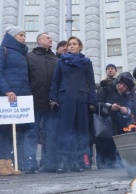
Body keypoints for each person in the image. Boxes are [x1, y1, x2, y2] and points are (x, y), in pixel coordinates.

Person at [49, 36, 96, 173]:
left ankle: (78, 162)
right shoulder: (61, 61)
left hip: (81, 99)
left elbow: (91, 82)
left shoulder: (86, 62)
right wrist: (53, 98)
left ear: (80, 47)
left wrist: (92, 101)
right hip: (65, 99)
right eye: (69, 44)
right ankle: (62, 161)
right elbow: (56, 80)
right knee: (64, 131)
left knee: (80, 131)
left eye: (74, 44)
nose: (71, 46)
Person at [0, 26, 36, 175]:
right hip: (7, 97)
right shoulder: (3, 50)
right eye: (21, 35)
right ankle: (2, 163)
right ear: (12, 36)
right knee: (3, 132)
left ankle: (11, 163)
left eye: (24, 35)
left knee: (15, 132)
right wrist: (6, 90)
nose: (23, 38)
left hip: (21, 98)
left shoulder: (22, 54)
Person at [26, 32, 58, 172]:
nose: (51, 39)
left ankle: (48, 163)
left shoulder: (55, 58)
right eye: (47, 38)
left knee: (49, 134)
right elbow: (25, 78)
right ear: (39, 41)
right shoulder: (29, 57)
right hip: (34, 102)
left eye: (51, 38)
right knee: (31, 134)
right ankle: (30, 163)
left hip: (51, 104)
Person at [95, 72, 135, 169]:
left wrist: (126, 111)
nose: (121, 87)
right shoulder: (106, 88)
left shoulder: (129, 95)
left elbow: (132, 110)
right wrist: (109, 107)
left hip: (118, 127)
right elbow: (95, 105)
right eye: (120, 83)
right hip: (103, 126)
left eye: (124, 86)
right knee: (103, 151)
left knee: (115, 155)